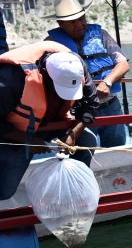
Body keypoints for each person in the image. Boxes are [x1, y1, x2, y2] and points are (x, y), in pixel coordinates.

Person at [0, 41, 101, 200]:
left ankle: (72, 193)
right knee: (5, 190)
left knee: (87, 139)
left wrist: (73, 134)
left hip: (54, 123)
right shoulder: (10, 79)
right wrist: (27, 140)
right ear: (45, 74)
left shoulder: (76, 66)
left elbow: (91, 104)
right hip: (14, 133)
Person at [44, 0, 130, 147]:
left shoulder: (101, 35)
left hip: (110, 105)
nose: (79, 24)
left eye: (81, 18)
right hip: (76, 111)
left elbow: (123, 64)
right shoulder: (51, 43)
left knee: (117, 148)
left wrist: (107, 82)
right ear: (60, 24)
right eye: (72, 22)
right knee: (85, 151)